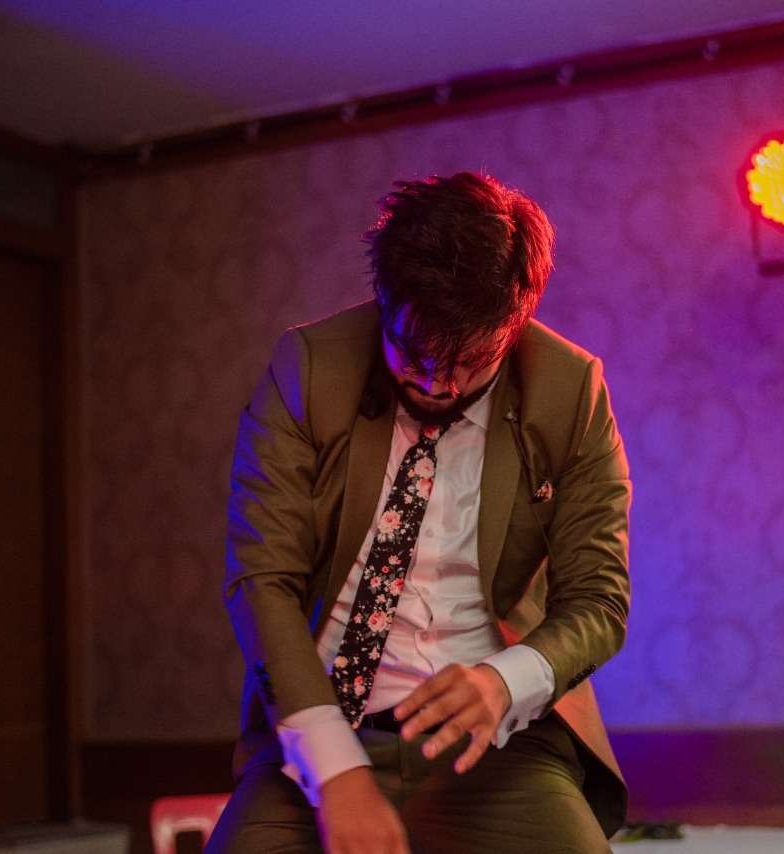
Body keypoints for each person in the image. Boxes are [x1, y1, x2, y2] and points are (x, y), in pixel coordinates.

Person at [207, 171, 631, 854]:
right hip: (327, 730)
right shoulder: (307, 368)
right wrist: (335, 767)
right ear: (384, 300)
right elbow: (262, 579)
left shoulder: (571, 390)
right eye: (413, 352)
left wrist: (505, 682)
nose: (436, 382)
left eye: (469, 361)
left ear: (513, 326)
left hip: (504, 747)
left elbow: (599, 600)